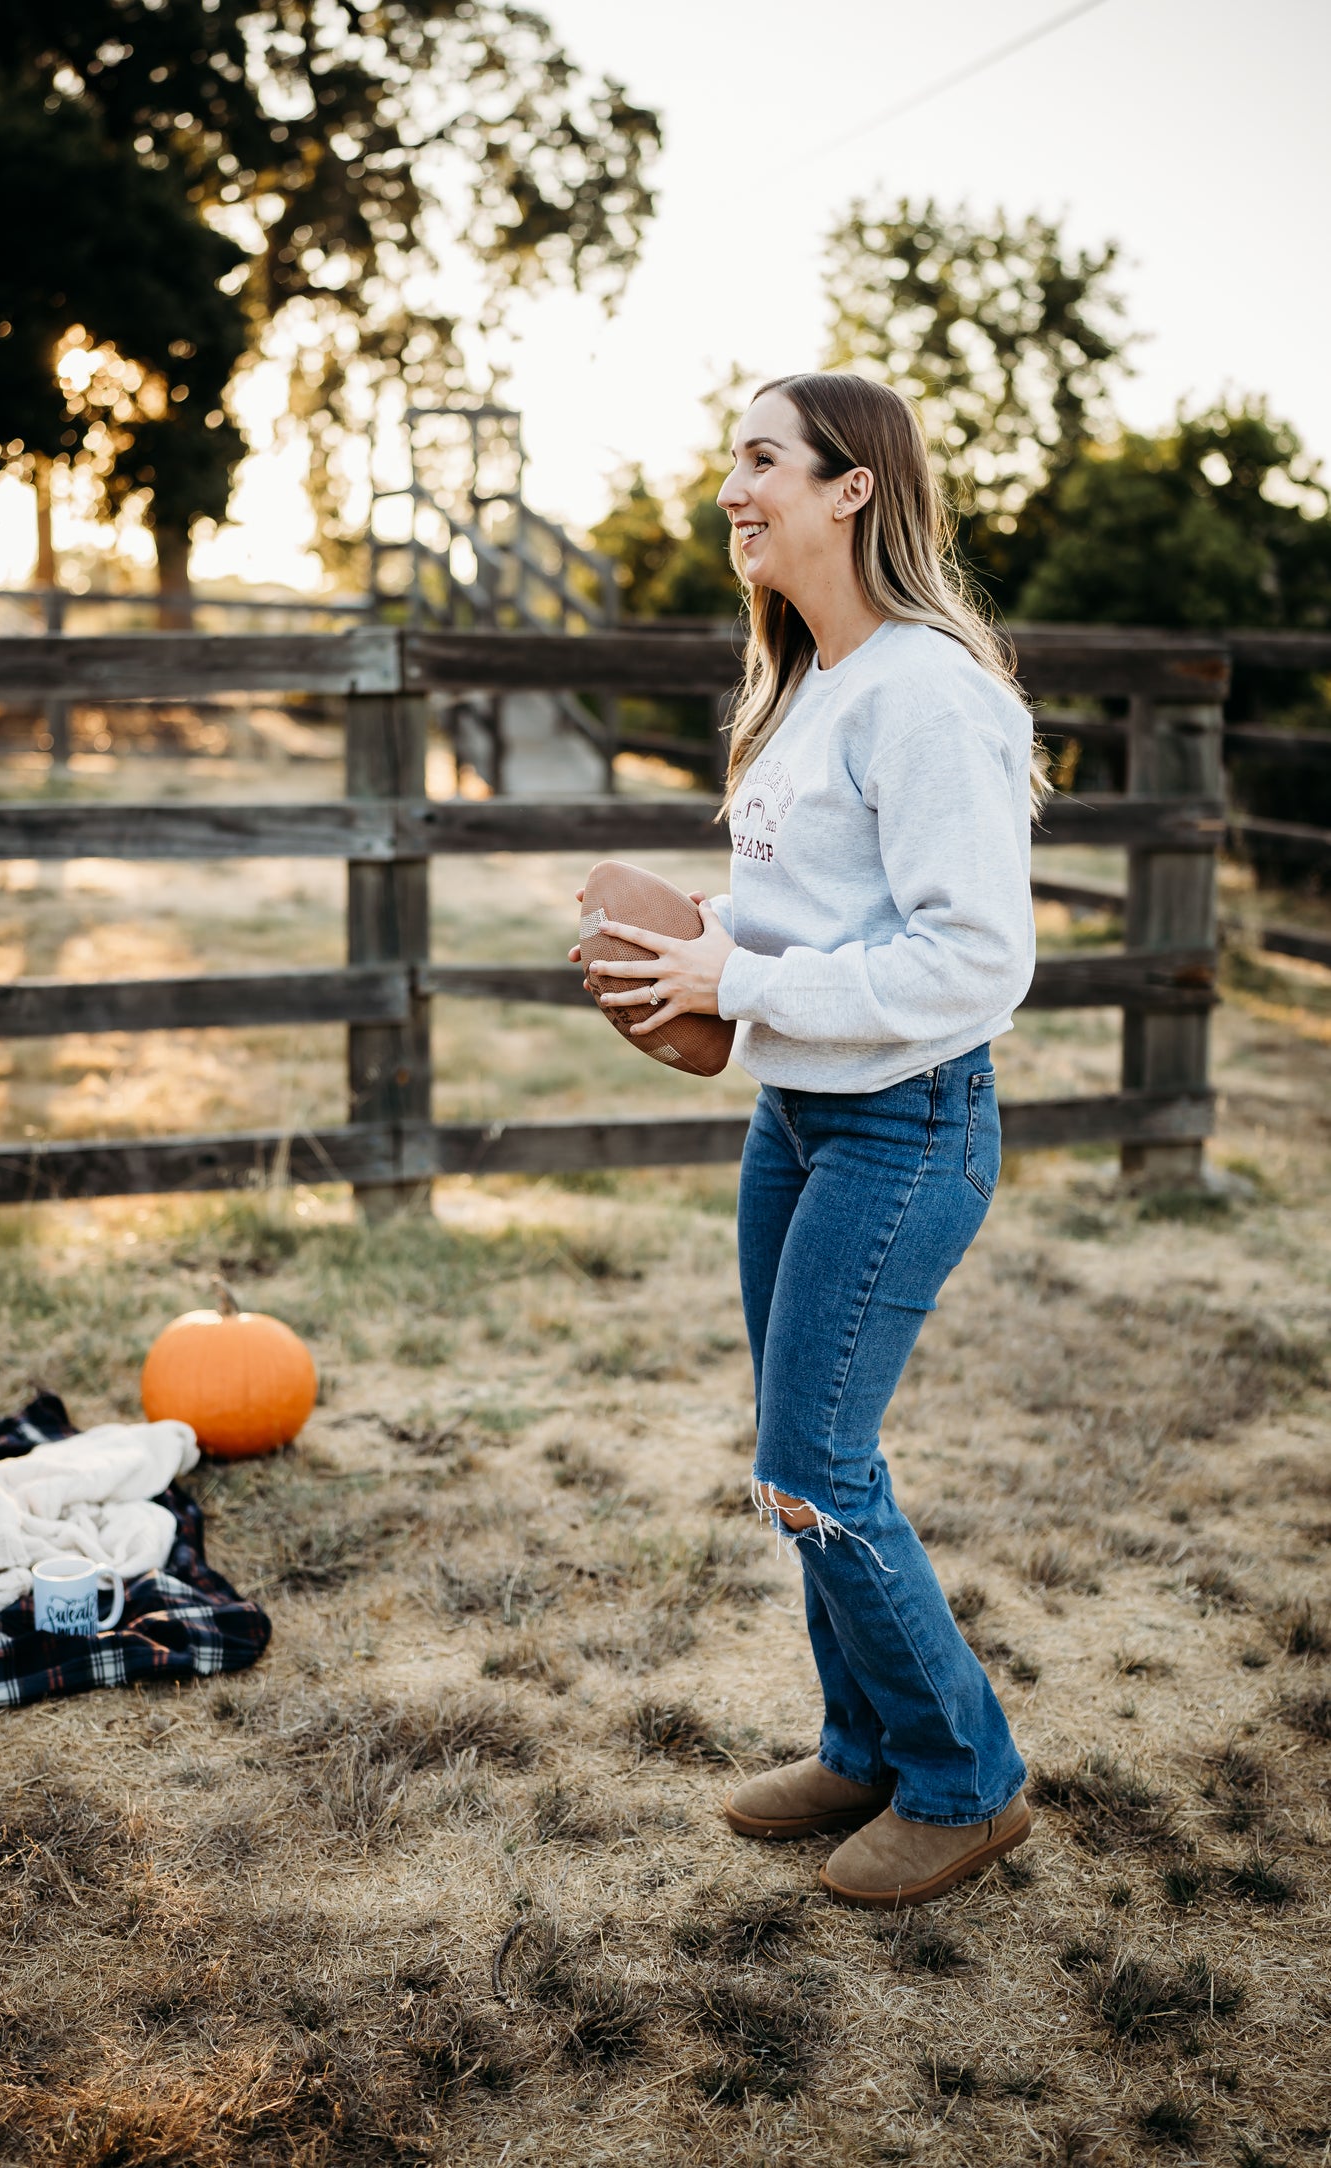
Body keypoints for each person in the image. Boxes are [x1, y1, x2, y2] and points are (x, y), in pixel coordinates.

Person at [576, 371, 1042, 1908]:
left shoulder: (925, 690)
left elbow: (975, 959)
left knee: (815, 1461)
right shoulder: (807, 684)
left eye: (761, 458)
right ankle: (864, 1748)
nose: (731, 487)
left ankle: (967, 1782)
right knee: (798, 1457)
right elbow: (820, 916)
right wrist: (697, 936)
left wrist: (742, 978)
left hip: (905, 1127)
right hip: (799, 1116)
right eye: (732, 457)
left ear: (852, 488)